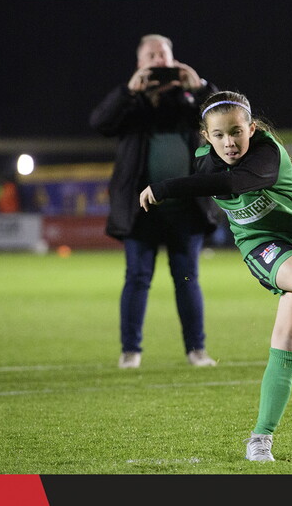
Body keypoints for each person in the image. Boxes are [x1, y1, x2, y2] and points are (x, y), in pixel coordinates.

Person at [139, 91, 292, 462]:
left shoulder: (267, 154)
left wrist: (166, 188)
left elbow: (236, 185)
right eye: (218, 135)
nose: (229, 142)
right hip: (261, 245)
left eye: (236, 131)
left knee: (286, 340)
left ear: (252, 128)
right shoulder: (206, 162)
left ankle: (259, 439)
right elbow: (206, 184)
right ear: (206, 137)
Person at [89, 34, 221, 369]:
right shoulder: (131, 104)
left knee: (188, 278)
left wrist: (202, 86)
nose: (158, 61)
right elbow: (100, 123)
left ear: (174, 60)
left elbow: (225, 116)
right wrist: (128, 91)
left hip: (185, 209)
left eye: (163, 54)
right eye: (151, 55)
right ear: (140, 63)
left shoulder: (191, 101)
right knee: (136, 277)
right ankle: (130, 352)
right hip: (140, 211)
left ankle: (197, 350)